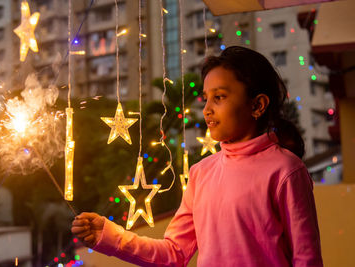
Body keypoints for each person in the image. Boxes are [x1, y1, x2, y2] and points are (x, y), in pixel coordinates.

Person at [71, 46, 323, 267]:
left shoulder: (286, 170)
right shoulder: (201, 173)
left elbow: (307, 259)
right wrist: (110, 235)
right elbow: (174, 253)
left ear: (257, 105)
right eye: (206, 99)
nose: (207, 110)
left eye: (220, 97)